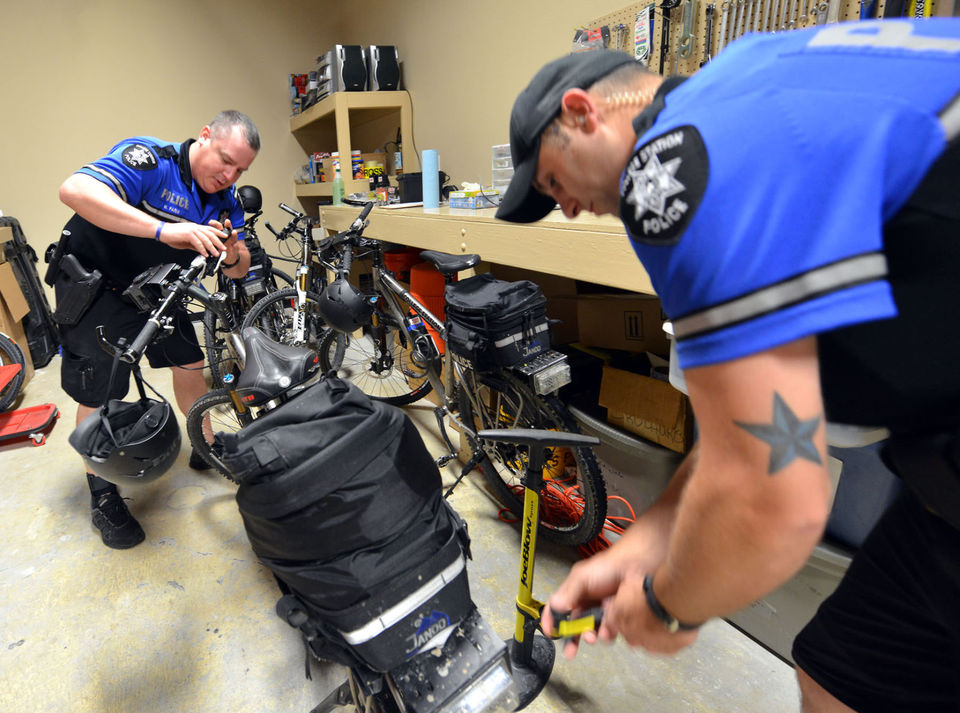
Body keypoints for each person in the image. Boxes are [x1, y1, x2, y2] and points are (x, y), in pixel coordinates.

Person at [497, 18, 960, 713]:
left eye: (553, 181)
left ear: (582, 111)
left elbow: (771, 496)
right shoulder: (741, 76)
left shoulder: (670, 168)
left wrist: (667, 606)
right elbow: (751, 431)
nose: (563, 207)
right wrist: (643, 547)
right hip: (940, 467)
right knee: (841, 675)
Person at [56, 110, 260, 550]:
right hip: (98, 285)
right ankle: (103, 494)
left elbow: (241, 267)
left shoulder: (227, 200)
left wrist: (229, 252)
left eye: (240, 170)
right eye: (225, 160)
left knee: (190, 363)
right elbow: (74, 190)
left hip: (157, 289)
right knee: (101, 393)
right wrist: (165, 231)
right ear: (205, 136)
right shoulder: (151, 159)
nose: (229, 175)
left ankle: (205, 447)